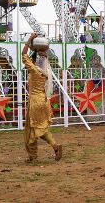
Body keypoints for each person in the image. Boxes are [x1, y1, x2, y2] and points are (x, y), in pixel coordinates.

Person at [22, 33, 63, 162]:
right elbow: (31, 58)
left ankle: (53, 147)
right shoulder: (45, 73)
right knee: (39, 128)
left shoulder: (34, 70)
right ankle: (35, 155)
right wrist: (38, 52)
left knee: (33, 129)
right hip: (43, 102)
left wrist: (29, 40)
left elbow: (23, 55)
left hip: (35, 103)